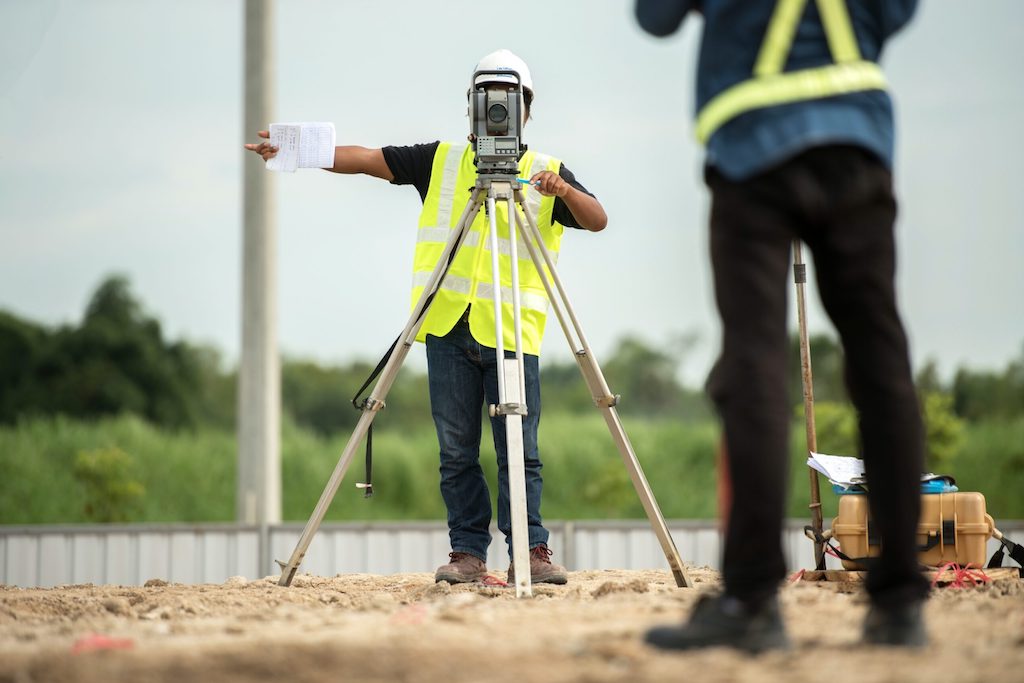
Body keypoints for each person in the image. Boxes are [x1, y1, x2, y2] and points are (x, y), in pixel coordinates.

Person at [245, 49, 607, 586]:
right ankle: (468, 554)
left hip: (511, 334)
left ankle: (531, 551)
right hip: (445, 328)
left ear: (526, 109)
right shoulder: (441, 161)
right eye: (488, 103)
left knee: (519, 451)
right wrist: (295, 150)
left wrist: (565, 192)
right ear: (471, 107)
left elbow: (597, 219)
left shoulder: (545, 174)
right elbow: (367, 158)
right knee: (456, 450)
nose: (497, 113)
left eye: (508, 103)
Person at [635, 0, 929, 651]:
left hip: (751, 154)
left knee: (755, 365)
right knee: (881, 365)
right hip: (858, 138)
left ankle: (752, 601)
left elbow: (653, 17)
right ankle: (901, 604)